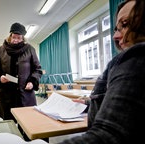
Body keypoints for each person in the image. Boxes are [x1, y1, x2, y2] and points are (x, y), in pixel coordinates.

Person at [58, 0, 145, 143]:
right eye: (116, 29)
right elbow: (129, 104)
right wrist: (88, 103)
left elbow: (108, 136)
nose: (115, 36)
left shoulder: (136, 56)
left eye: (125, 24)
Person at [0, 22, 42, 121]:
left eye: (19, 38)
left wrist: (32, 81)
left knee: (26, 121)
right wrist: (0, 77)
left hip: (25, 93)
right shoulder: (1, 50)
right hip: (7, 94)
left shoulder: (30, 49)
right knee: (9, 121)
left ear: (23, 38)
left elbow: (37, 69)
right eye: (14, 37)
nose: (16, 40)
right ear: (10, 36)